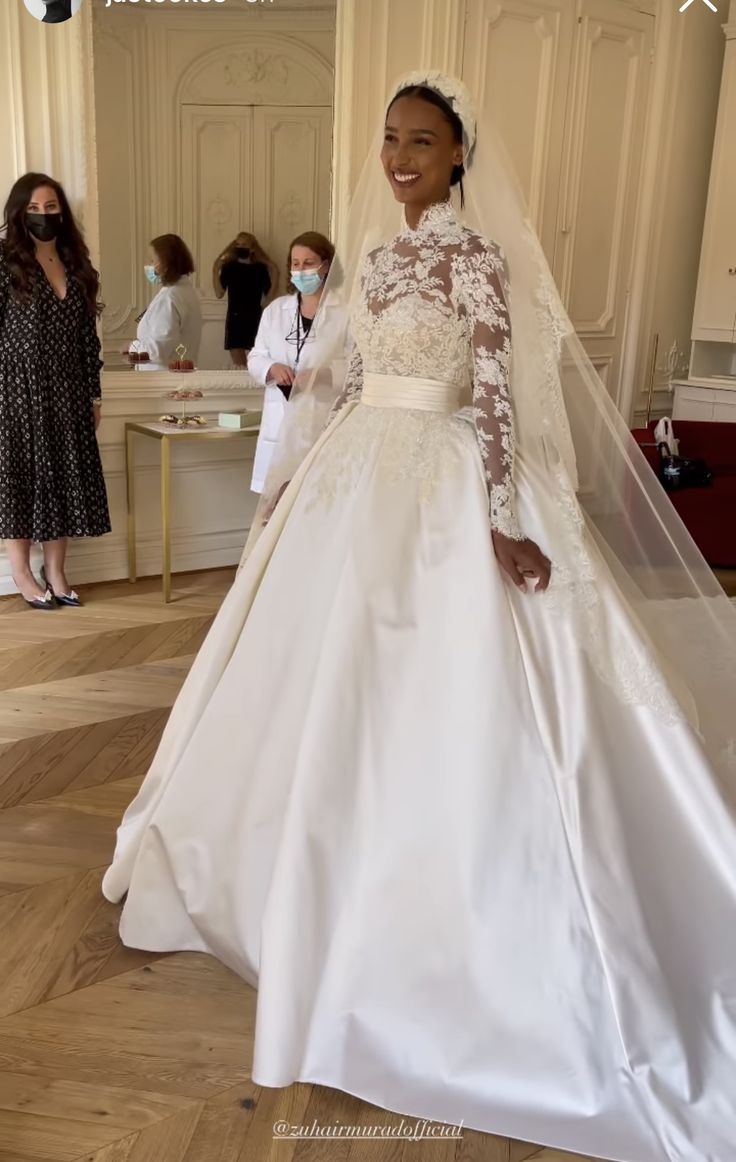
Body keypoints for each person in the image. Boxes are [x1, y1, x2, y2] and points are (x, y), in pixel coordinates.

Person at [102, 74, 736, 1161]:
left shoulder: (470, 256)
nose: (400, 155)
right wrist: (300, 476)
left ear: (456, 158)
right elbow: (348, 383)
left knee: (438, 690)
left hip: (447, 483)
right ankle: (292, 890)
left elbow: (492, 385)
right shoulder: (381, 256)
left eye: (423, 141)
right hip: (357, 476)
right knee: (311, 682)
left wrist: (498, 515)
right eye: (391, 138)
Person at [0, 172, 109, 609]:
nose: (43, 217)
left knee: (63, 479)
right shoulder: (4, 264)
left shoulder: (77, 266)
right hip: (16, 391)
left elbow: (88, 340)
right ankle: (21, 572)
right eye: (34, 209)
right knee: (21, 479)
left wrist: (94, 396)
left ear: (61, 211)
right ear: (19, 213)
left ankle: (58, 571)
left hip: (68, 392)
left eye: (51, 208)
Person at [247, 232, 338, 493]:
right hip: (281, 416)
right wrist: (271, 368)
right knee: (276, 503)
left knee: (316, 500)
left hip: (322, 418)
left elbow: (357, 366)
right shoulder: (276, 311)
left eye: (308, 263)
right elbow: (255, 356)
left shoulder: (343, 313)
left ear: (326, 265)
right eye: (295, 263)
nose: (300, 270)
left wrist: (324, 375)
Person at [126, 234, 202, 371]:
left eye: (152, 261)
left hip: (161, 379)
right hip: (178, 374)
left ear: (165, 262)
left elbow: (158, 350)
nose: (149, 266)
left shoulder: (169, 298)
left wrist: (133, 347)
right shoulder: (187, 292)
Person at [213, 232, 277, 367]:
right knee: (239, 366)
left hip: (255, 318)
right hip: (235, 319)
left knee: (257, 363)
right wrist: (215, 269)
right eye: (238, 244)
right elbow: (219, 293)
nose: (240, 247)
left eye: (244, 244)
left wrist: (274, 269)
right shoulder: (229, 267)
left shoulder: (260, 269)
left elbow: (269, 296)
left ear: (252, 248)